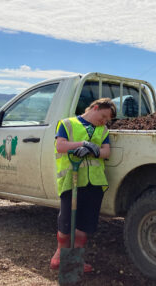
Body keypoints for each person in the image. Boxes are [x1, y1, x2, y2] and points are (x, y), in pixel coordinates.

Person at [50, 98, 116, 272]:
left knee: (84, 225)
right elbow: (60, 146)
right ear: (94, 108)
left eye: (107, 120)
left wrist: (95, 150)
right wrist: (82, 144)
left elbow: (106, 151)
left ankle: (76, 260)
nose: (103, 121)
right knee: (66, 221)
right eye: (103, 116)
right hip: (71, 181)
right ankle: (59, 256)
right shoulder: (67, 124)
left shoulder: (103, 130)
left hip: (94, 183)